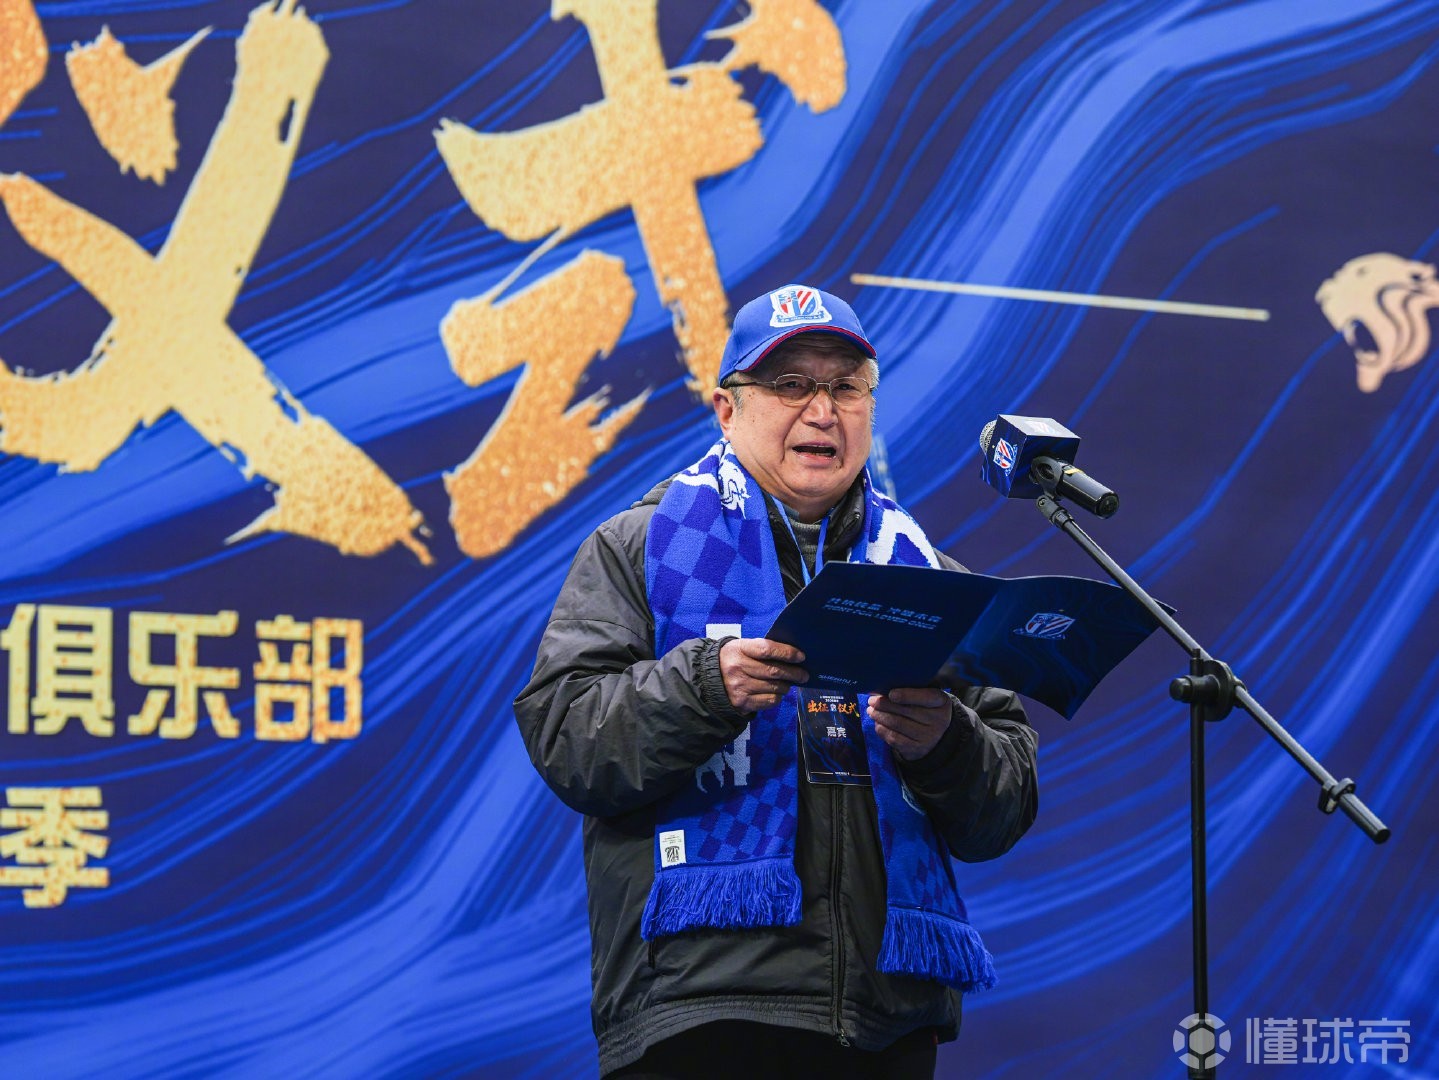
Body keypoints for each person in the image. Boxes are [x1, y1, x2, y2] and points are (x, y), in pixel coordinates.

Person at [514, 285, 1039, 1079]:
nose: (822, 411)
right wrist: (703, 687)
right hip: (698, 1008)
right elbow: (568, 739)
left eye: (846, 387)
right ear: (726, 411)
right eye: (791, 384)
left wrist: (945, 742)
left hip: (886, 1021)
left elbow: (1001, 811)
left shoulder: (930, 580)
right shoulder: (638, 548)